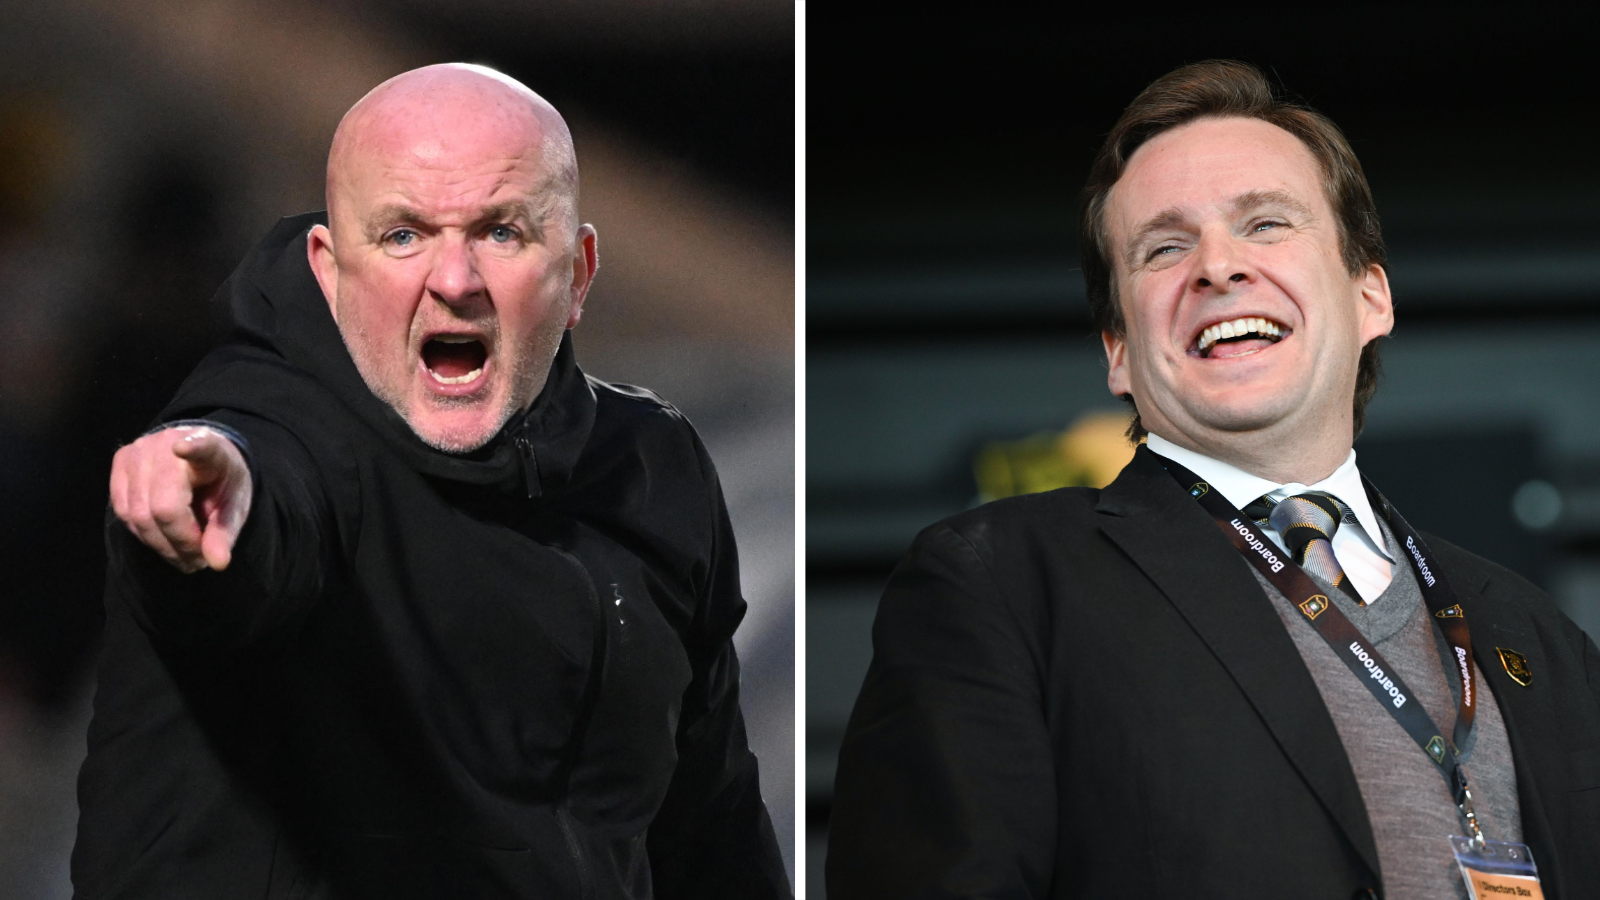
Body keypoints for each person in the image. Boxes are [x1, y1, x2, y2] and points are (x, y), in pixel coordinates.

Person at [827, 60, 1600, 899]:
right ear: (1118, 351)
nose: (1217, 267)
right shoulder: (1000, 586)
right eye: (1165, 247)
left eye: (1266, 224)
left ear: (1370, 294)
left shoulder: (1539, 637)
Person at [73, 64, 790, 900]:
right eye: (404, 235)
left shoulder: (656, 472)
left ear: (580, 273)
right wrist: (212, 493)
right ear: (330, 271)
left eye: (501, 232)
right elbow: (263, 508)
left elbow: (712, 823)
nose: (454, 282)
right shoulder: (280, 431)